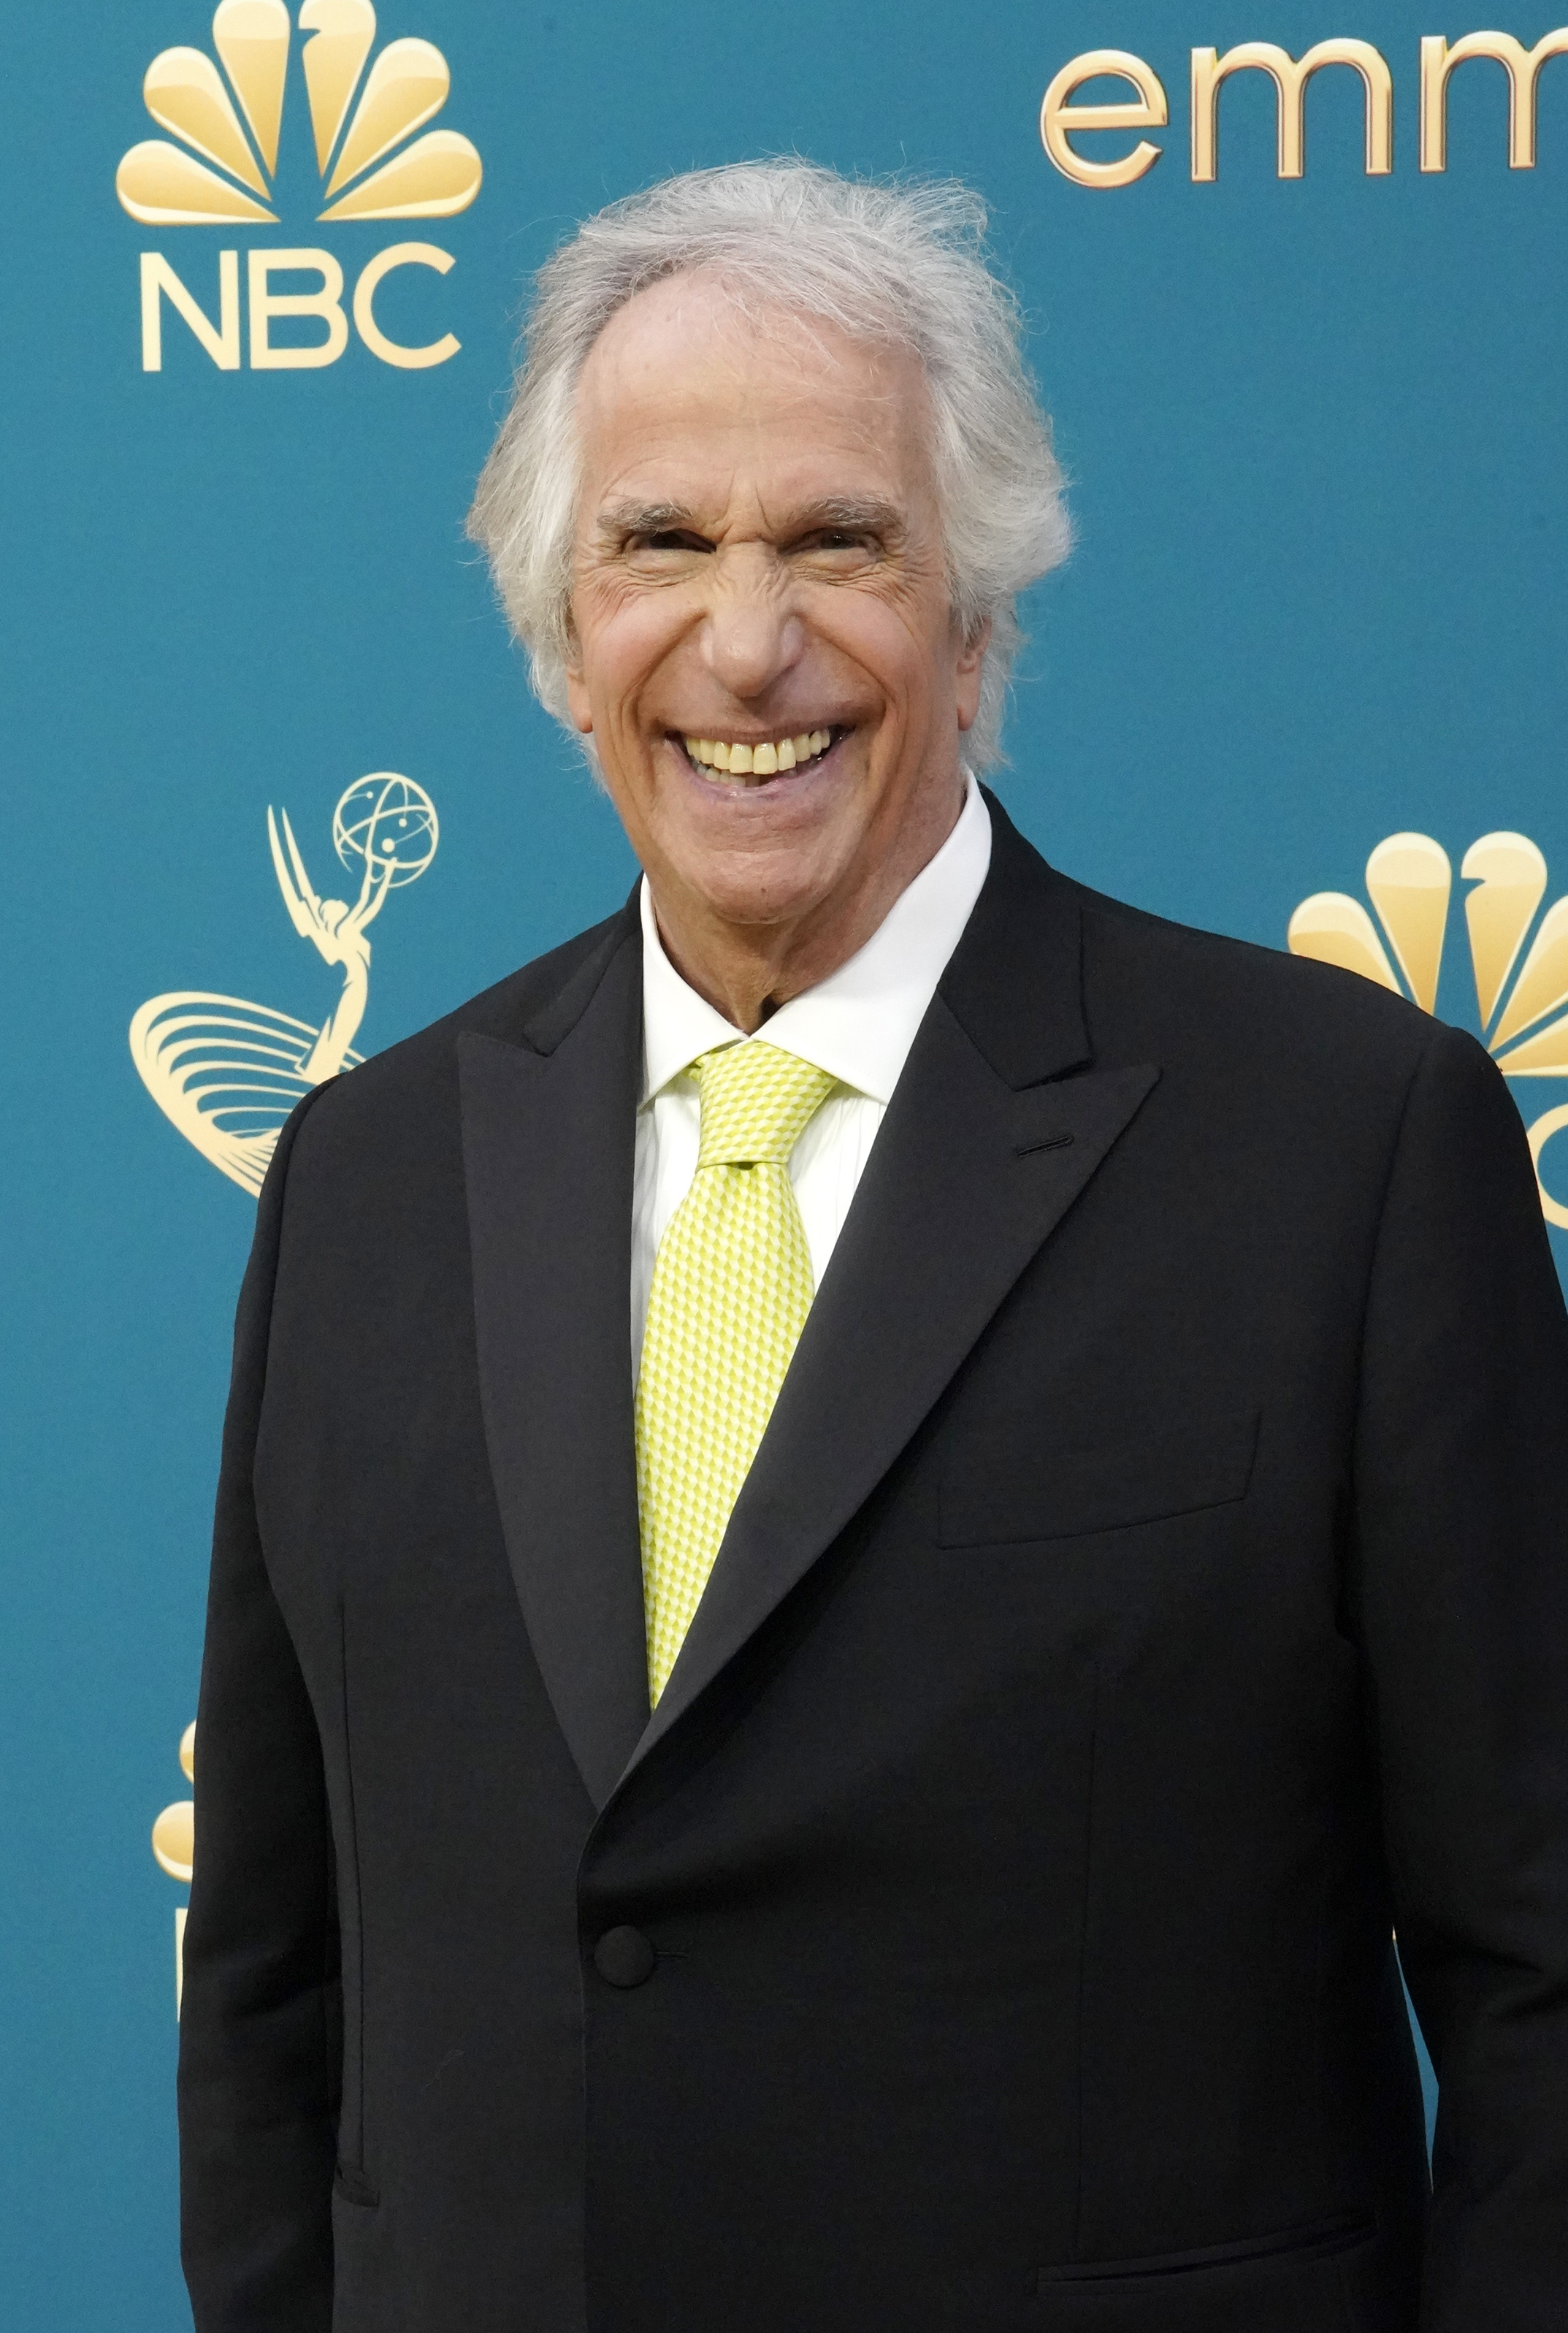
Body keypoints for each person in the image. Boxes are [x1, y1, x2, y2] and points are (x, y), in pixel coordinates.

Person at [177, 161, 1568, 2333]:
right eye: (660, 544)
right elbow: (272, 1982)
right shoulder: (363, 1177)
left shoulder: (1345, 1152)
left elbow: (1536, 1975)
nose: (746, 642)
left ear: (977, 607)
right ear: (561, 631)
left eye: (837, 538)